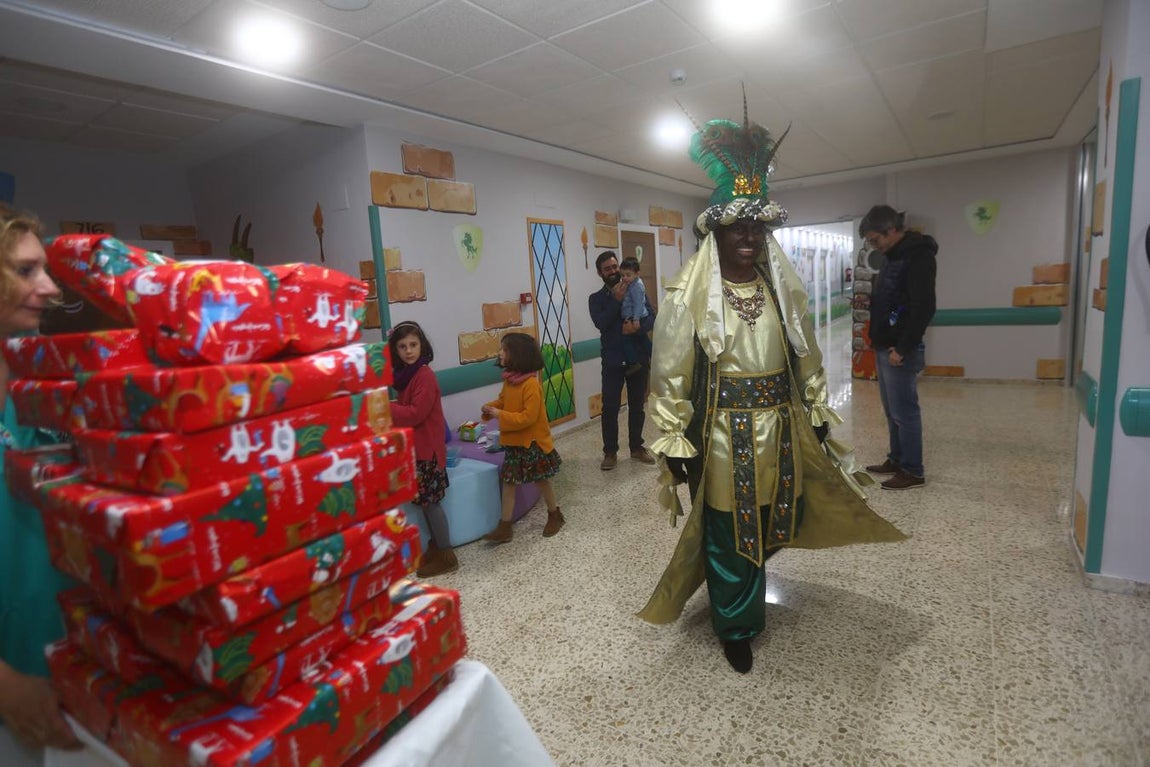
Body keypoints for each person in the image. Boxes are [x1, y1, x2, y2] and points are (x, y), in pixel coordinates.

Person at [638, 111, 906, 674]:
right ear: (716, 233)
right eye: (739, 227)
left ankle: (746, 589)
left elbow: (803, 350)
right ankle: (735, 623)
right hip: (719, 434)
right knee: (726, 528)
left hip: (779, 429)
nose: (750, 237)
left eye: (758, 228)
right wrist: (672, 443)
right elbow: (669, 374)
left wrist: (813, 412)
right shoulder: (690, 295)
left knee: (771, 518)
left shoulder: (779, 287)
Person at [0, 203, 81, 757]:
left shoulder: (39, 388)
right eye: (27, 270)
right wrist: (5, 684)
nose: (50, 288)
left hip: (73, 655)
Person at [859, 205, 938, 490]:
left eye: (875, 240)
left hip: (899, 350)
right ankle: (896, 458)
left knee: (905, 411)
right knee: (891, 410)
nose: (874, 246)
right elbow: (891, 302)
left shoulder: (918, 256)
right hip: (885, 346)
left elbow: (923, 308)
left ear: (891, 230)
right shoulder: (893, 256)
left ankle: (913, 470)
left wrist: (902, 348)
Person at [387, 320, 457, 577]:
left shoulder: (424, 375)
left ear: (422, 346)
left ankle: (447, 555)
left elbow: (416, 413)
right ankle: (437, 547)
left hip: (428, 451)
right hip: (416, 451)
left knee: (431, 504)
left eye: (413, 345)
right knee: (425, 502)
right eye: (402, 346)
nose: (408, 351)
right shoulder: (406, 377)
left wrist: (385, 407)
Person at [480, 332, 564, 543]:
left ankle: (555, 514)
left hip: (531, 443)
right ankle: (505, 526)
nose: (500, 353)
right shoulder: (509, 381)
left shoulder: (531, 385)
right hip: (514, 443)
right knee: (509, 483)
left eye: (504, 350)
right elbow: (503, 401)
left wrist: (500, 414)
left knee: (541, 480)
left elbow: (527, 418)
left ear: (517, 355)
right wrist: (491, 407)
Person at [588, 251, 656, 471]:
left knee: (637, 405)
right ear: (600, 273)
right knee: (609, 408)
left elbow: (651, 315)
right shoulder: (596, 299)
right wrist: (616, 302)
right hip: (613, 361)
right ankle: (610, 452)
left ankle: (637, 447)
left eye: (615, 266)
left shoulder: (635, 286)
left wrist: (639, 326)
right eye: (607, 268)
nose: (613, 271)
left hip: (637, 357)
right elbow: (601, 323)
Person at [617, 256, 651, 377]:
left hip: (637, 317)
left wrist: (636, 319)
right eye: (622, 275)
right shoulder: (631, 284)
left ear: (637, 274)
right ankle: (654, 355)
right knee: (642, 339)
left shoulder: (636, 286)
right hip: (635, 316)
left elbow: (638, 304)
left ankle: (633, 362)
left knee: (626, 339)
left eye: (628, 275)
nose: (625, 278)